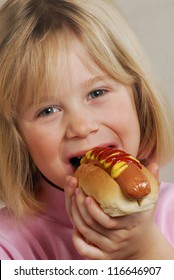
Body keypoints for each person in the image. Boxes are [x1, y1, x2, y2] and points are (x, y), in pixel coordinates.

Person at [0, 0, 174, 260]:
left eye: (97, 92)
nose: (81, 127)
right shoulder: (8, 245)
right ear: (17, 139)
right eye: (47, 110)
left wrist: (147, 253)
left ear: (139, 97)